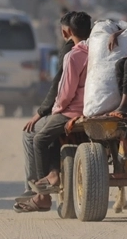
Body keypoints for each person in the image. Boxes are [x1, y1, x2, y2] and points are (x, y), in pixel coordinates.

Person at [17, 11, 92, 213]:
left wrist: (51, 111)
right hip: (97, 107)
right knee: (45, 133)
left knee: (36, 137)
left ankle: (41, 194)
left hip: (74, 110)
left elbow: (64, 91)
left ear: (66, 31)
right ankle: (48, 177)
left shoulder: (73, 54)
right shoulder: (100, 50)